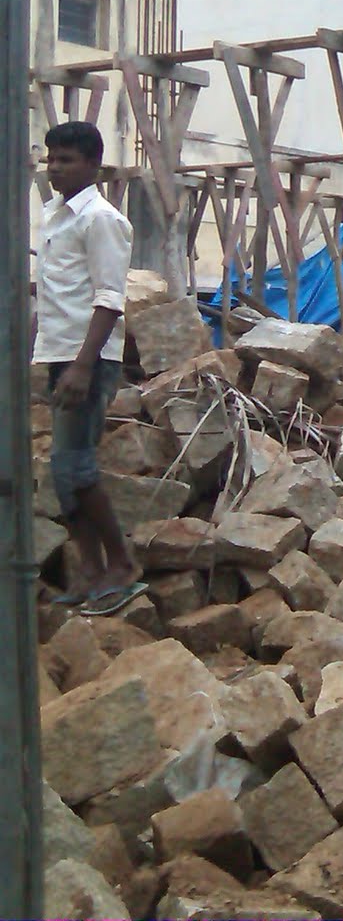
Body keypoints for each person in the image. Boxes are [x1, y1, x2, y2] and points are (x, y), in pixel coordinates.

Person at [34, 122, 145, 616]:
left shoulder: (100, 219)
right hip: (58, 354)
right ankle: (92, 573)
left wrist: (81, 366)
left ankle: (121, 565)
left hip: (88, 359)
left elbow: (108, 297)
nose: (56, 168)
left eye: (67, 160)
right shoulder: (53, 216)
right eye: (52, 159)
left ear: (93, 165)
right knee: (63, 471)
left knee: (77, 465)